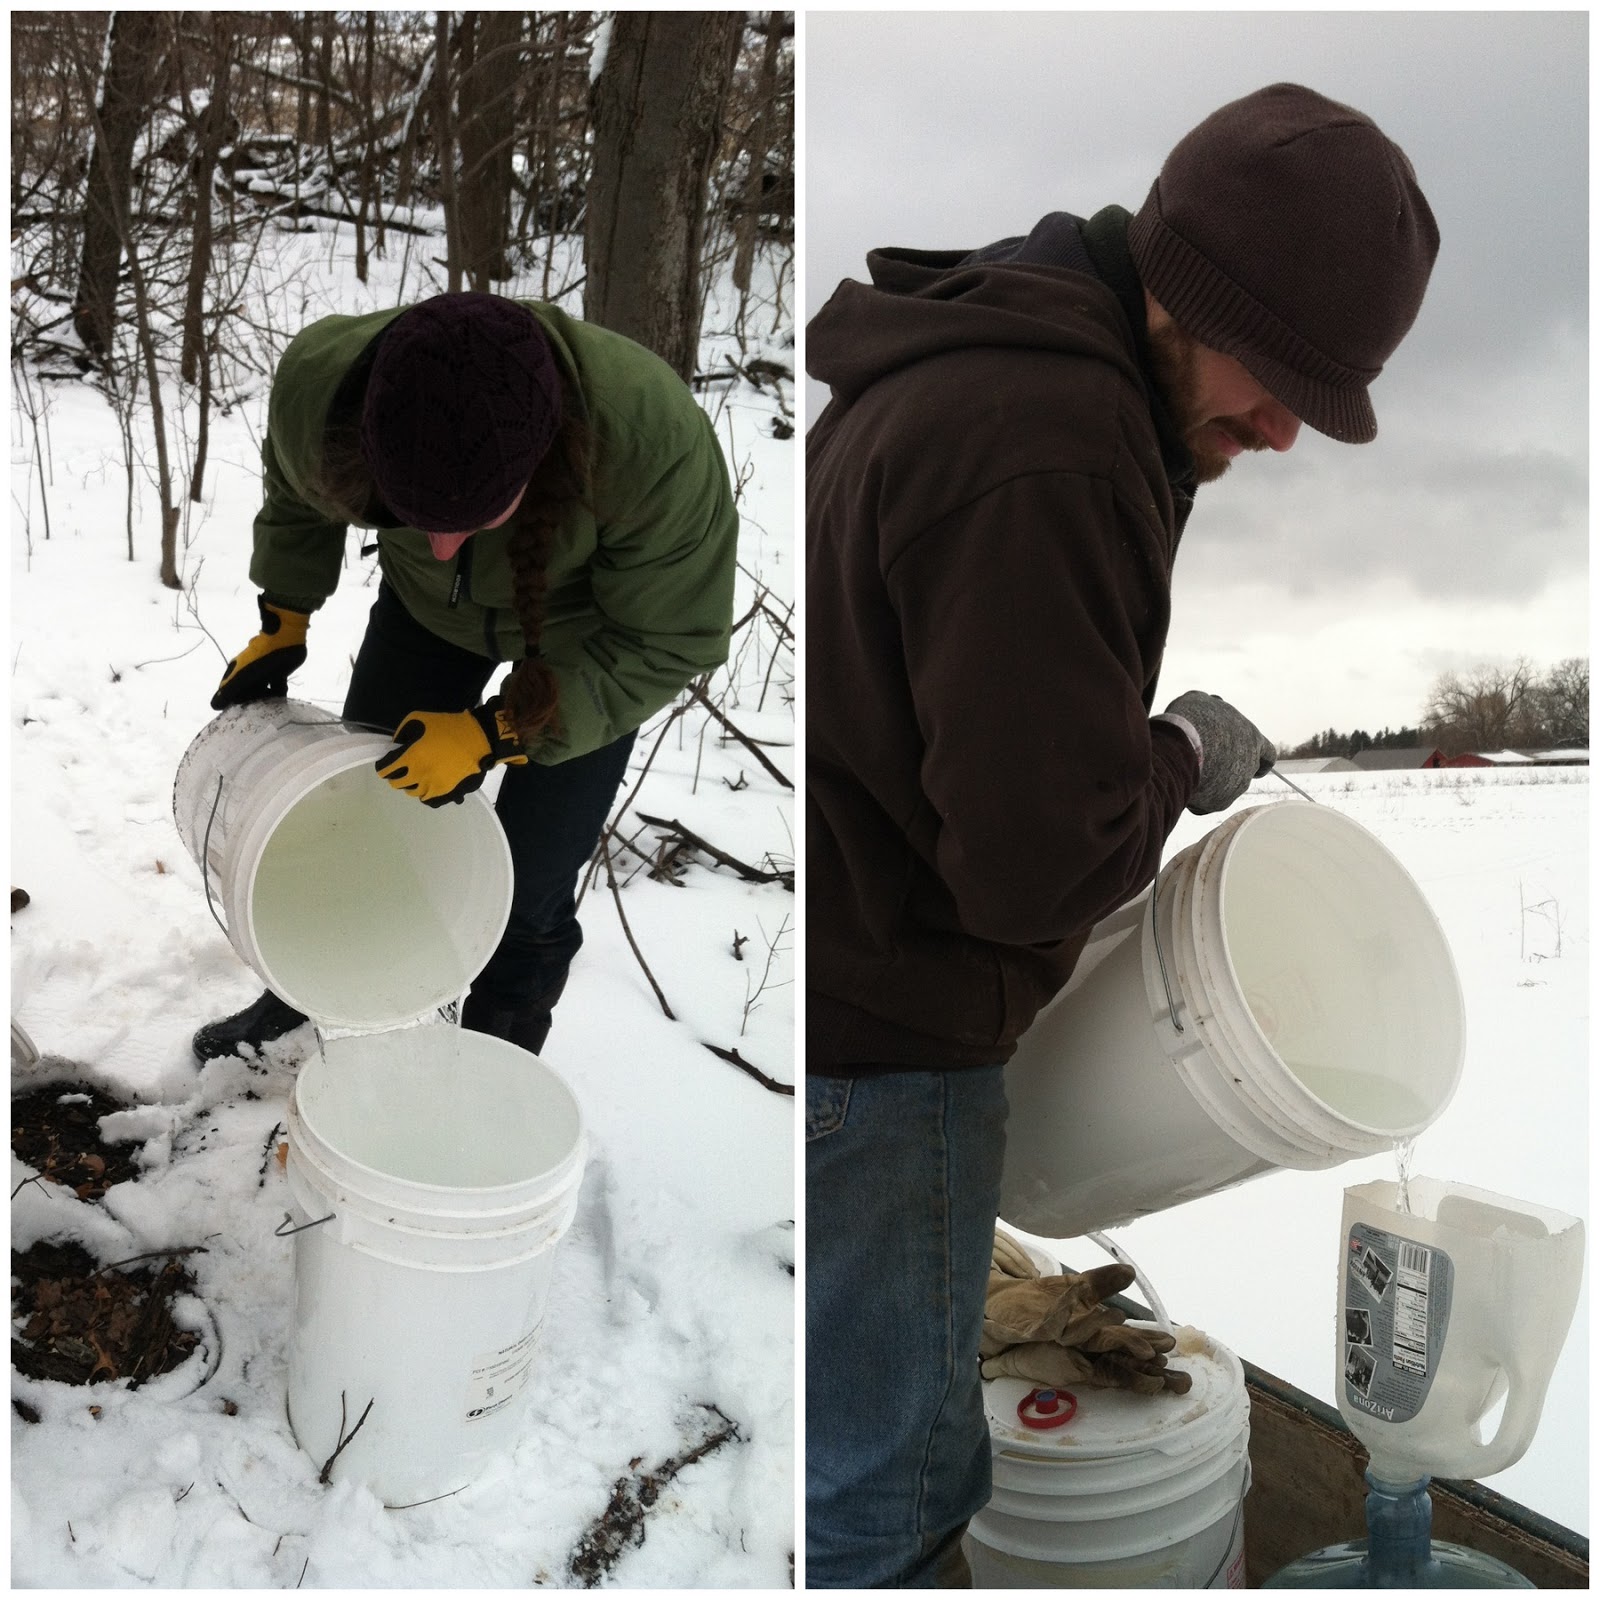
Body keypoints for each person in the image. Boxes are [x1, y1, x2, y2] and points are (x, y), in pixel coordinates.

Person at [804, 83, 1438, 1587]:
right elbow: (1032, 864)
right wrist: (1174, 759)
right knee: (888, 1500)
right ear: (1191, 288)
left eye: (1321, 402)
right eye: (1275, 376)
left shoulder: (997, 354)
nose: (1284, 431)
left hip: (853, 992)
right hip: (891, 1045)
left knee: (880, 1450)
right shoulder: (1056, 440)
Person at [194, 291, 739, 1062]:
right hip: (427, 617)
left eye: (472, 520)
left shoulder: (648, 443)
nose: (442, 545)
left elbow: (668, 638)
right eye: (412, 516)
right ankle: (300, 1000)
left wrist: (500, 731)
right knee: (362, 819)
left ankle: (489, 1063)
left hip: (589, 642)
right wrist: (285, 615)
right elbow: (298, 494)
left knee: (527, 886)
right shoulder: (326, 389)